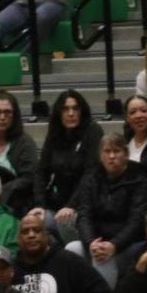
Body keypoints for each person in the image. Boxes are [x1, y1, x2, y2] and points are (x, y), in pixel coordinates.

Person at [66, 132, 147, 291]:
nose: (112, 156)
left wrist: (113, 245)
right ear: (100, 155)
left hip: (129, 244)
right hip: (98, 241)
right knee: (72, 249)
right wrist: (90, 242)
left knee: (103, 258)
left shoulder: (139, 178)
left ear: (126, 154)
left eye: (116, 151)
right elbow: (84, 213)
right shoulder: (91, 177)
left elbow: (137, 220)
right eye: (107, 151)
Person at [33, 90, 102, 228]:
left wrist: (71, 206)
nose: (71, 113)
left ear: (82, 111)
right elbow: (41, 171)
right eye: (65, 109)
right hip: (59, 200)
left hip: (86, 204)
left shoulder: (93, 131)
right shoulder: (55, 133)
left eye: (75, 108)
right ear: (59, 113)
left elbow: (91, 173)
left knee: (63, 223)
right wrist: (40, 205)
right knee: (35, 220)